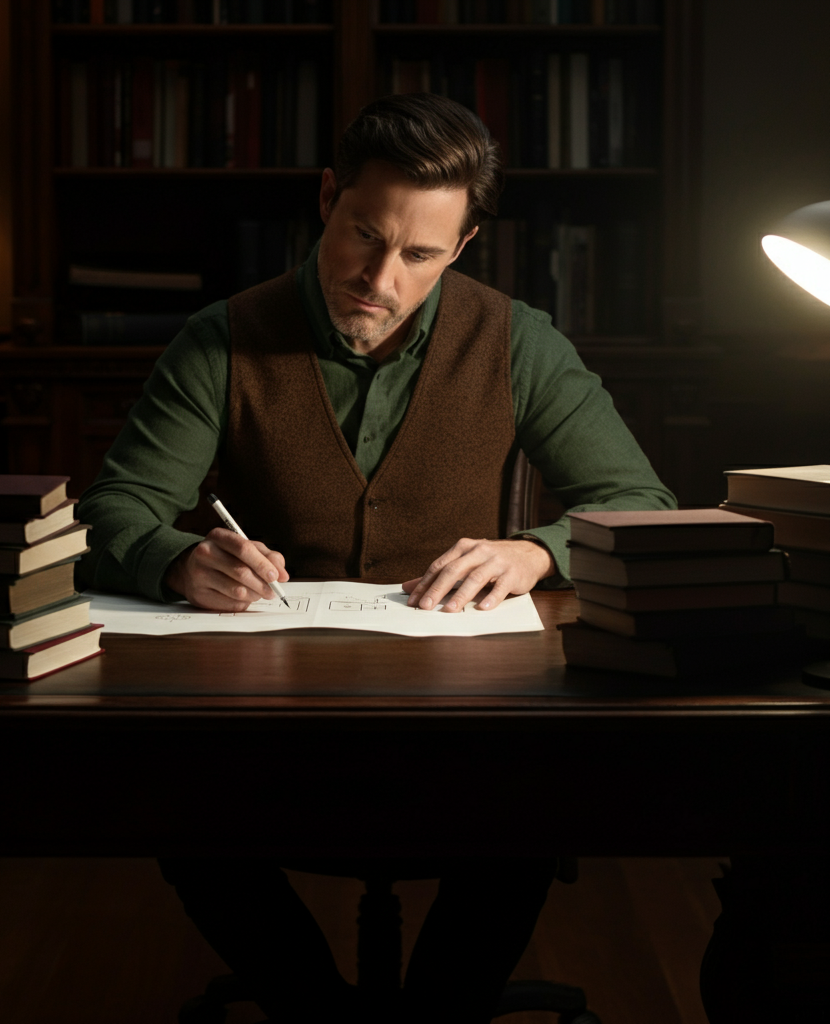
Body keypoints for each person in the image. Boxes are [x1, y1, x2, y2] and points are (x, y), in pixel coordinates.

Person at [77, 93, 675, 1023]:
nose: (380, 278)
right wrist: (174, 558)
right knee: (179, 811)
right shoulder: (223, 337)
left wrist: (535, 550)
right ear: (326, 199)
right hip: (268, 709)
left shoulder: (520, 342)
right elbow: (116, 507)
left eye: (420, 255)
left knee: (532, 806)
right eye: (364, 235)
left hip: (467, 714)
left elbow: (641, 507)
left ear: (464, 247)